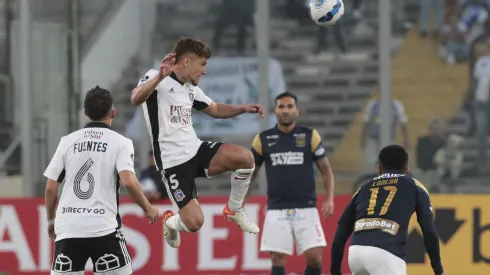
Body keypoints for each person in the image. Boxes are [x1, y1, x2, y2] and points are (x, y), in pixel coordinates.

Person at [131, 37, 264, 248]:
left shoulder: (191, 89)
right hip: (172, 162)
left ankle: (234, 209)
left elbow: (216, 109)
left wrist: (243, 108)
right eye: (202, 64)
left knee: (245, 158)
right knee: (194, 223)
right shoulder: (156, 77)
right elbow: (136, 98)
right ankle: (171, 221)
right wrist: (159, 77)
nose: (204, 71)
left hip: (195, 149)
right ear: (186, 62)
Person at [44, 86, 160, 275]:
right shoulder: (120, 142)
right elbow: (128, 182)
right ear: (113, 112)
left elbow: (50, 189)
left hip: (68, 229)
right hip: (103, 229)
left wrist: (51, 221)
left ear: (86, 112)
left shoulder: (67, 141)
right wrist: (148, 209)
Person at [246, 92, 335, 275]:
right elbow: (250, 173)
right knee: (278, 258)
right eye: (281, 107)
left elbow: (326, 170)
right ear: (275, 111)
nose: (285, 111)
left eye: (289, 106)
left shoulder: (310, 136)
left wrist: (330, 198)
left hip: (307, 207)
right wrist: (241, 201)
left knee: (315, 258)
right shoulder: (263, 139)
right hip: (277, 209)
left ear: (297, 110)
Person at [329, 145, 446, 275]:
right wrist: (438, 270)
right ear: (406, 170)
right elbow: (429, 230)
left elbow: (340, 235)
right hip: (386, 254)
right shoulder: (415, 186)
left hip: (356, 253)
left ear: (379, 168)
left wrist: (335, 271)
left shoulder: (363, 189)